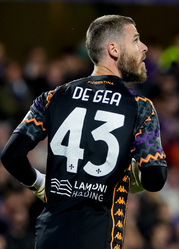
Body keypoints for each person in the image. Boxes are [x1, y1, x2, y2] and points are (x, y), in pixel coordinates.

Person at [1, 15, 167, 249]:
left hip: (50, 239)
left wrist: (41, 185)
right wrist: (134, 178)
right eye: (136, 40)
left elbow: (11, 156)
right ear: (114, 49)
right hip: (99, 240)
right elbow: (155, 178)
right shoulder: (140, 107)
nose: (144, 47)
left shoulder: (53, 97)